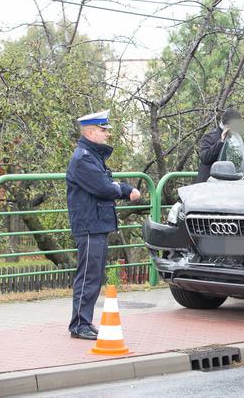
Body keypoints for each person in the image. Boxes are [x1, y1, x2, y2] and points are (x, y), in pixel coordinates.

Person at [66, 110, 140, 340]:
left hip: (95, 223)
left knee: (94, 275)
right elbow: (104, 187)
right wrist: (125, 190)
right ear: (90, 132)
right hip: (89, 225)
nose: (107, 134)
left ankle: (83, 322)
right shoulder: (83, 158)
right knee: (89, 275)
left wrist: (120, 187)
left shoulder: (91, 156)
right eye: (103, 130)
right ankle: (79, 324)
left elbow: (106, 183)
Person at [196, 108, 244, 183]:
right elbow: (205, 158)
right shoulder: (209, 137)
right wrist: (221, 141)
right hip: (208, 184)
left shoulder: (236, 139)